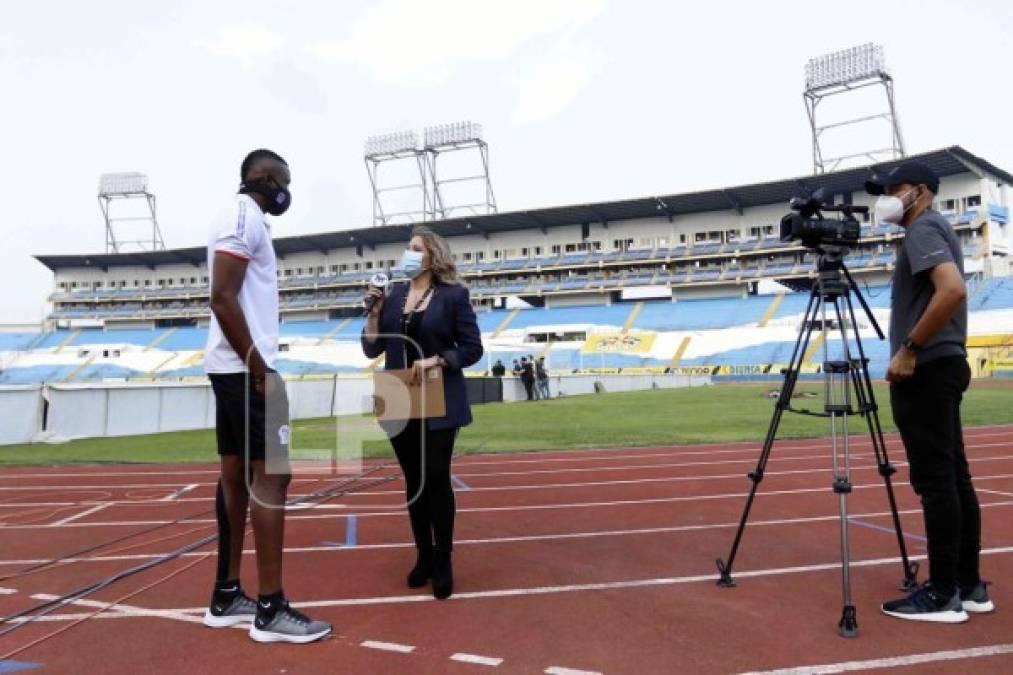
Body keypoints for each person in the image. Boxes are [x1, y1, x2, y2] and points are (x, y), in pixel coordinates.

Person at [203, 149, 331, 643]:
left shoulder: (238, 216)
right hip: (249, 368)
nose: (288, 192)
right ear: (270, 180)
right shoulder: (243, 217)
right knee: (274, 476)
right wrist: (260, 368)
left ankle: (228, 594)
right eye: (286, 182)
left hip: (232, 366)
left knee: (235, 476)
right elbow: (222, 296)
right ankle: (271, 608)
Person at [866, 161, 992, 623]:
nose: (884, 198)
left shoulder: (922, 231)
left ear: (918, 192)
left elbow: (953, 290)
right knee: (955, 478)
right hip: (945, 364)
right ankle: (967, 585)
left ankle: (942, 596)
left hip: (929, 367)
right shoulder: (934, 229)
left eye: (892, 189)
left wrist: (909, 349)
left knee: (937, 483)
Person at [362, 226, 483, 599]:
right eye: (407, 248)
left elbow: (472, 348)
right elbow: (371, 350)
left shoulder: (453, 296)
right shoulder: (395, 296)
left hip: (438, 394)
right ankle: (424, 556)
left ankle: (443, 558)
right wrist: (373, 313)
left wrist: (440, 360)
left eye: (416, 248)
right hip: (397, 393)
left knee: (435, 476)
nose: (408, 253)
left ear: (432, 256)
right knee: (413, 481)